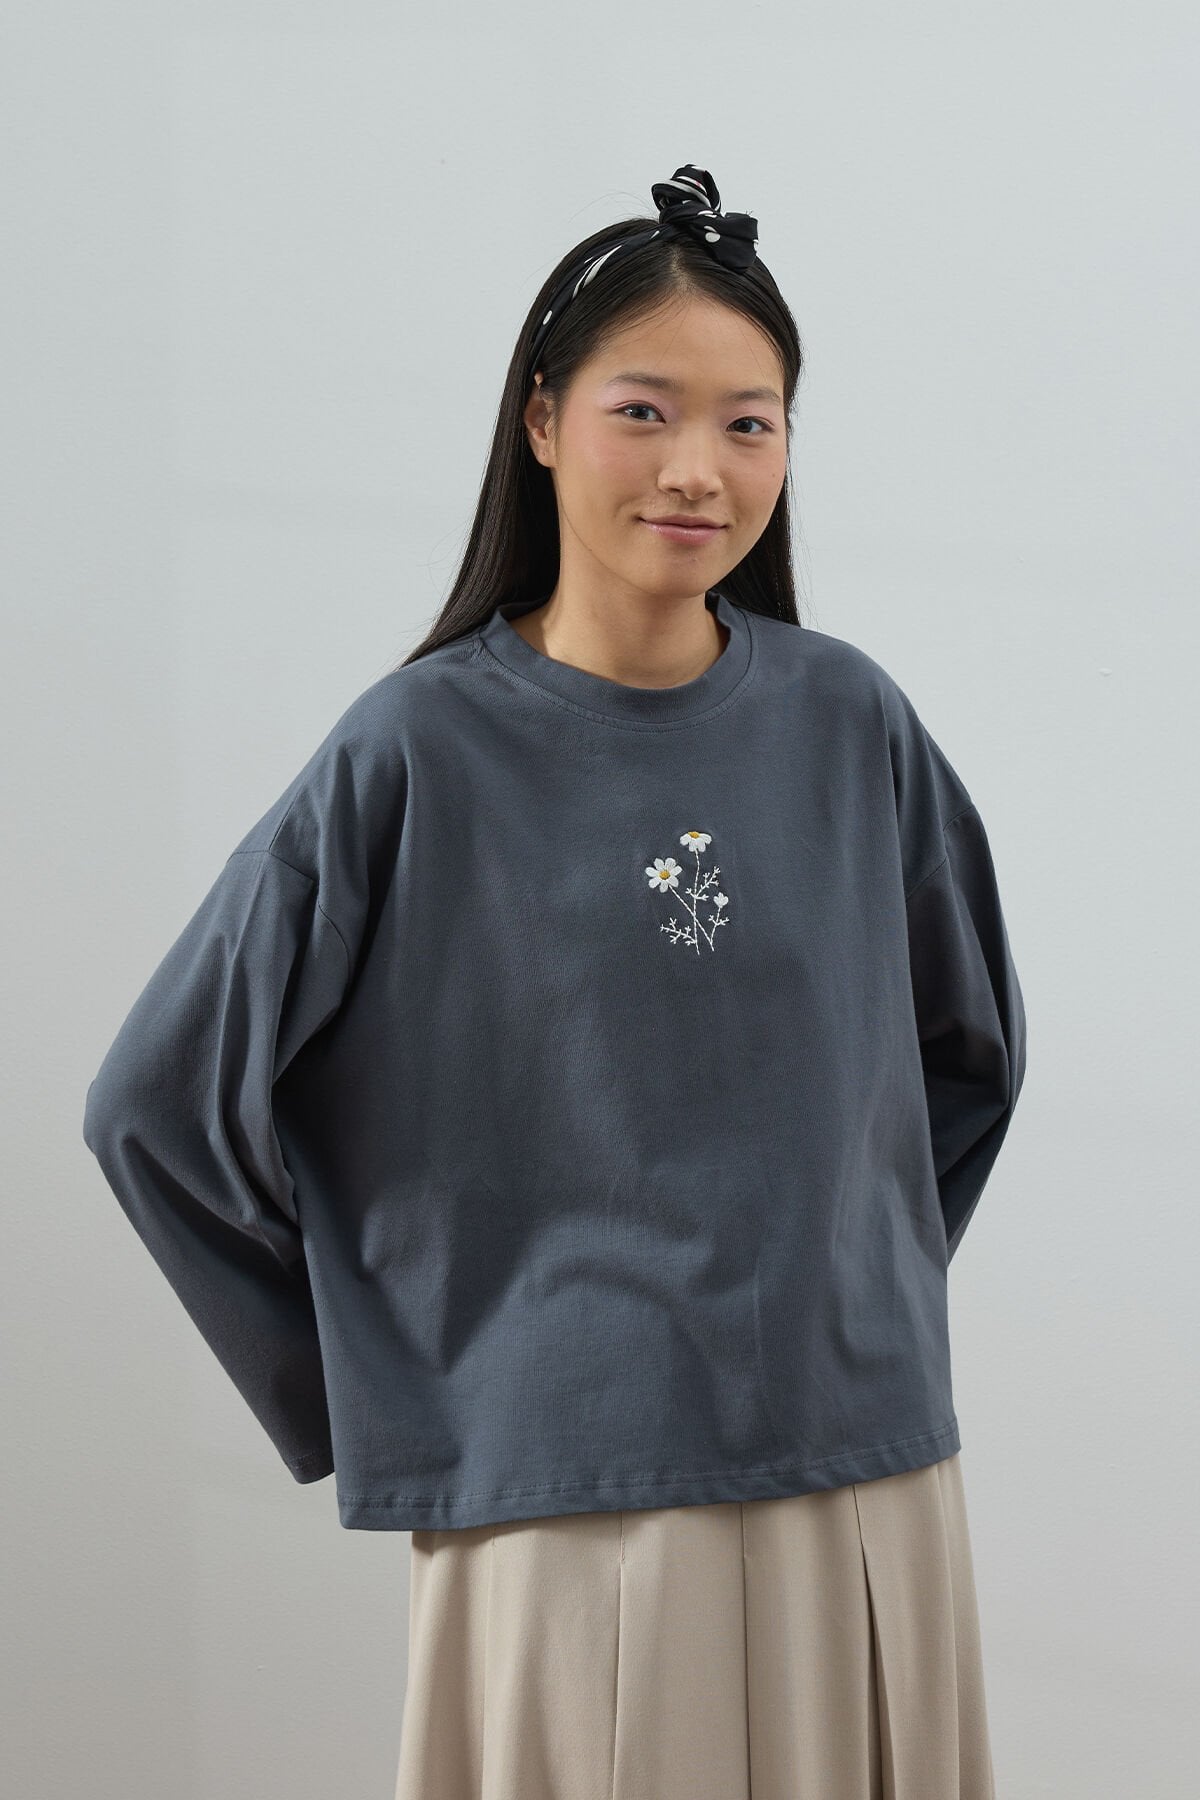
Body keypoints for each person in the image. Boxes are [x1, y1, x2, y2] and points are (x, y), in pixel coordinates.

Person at [82, 165, 1026, 1798]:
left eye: (750, 423)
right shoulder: (414, 749)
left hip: (866, 1476)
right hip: (567, 1505)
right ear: (539, 419)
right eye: (643, 410)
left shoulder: (851, 721)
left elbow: (972, 1051)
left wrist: (848, 1286)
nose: (698, 467)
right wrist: (393, 1383)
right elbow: (154, 1112)